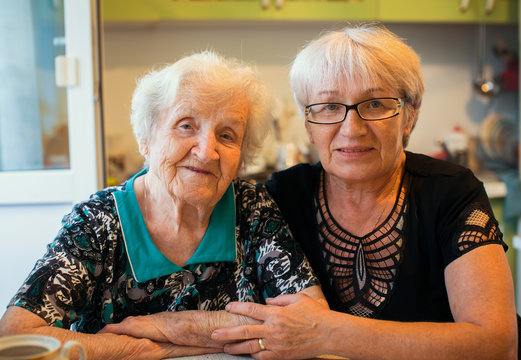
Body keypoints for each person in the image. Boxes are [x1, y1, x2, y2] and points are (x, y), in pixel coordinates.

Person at [211, 24, 521, 359]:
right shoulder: (280, 197)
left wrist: (326, 332)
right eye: (329, 107)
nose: (351, 129)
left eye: (375, 105)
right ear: (309, 124)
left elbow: (496, 345)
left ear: (409, 116)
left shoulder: (451, 191)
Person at [0, 51, 324, 359]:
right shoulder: (97, 224)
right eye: (186, 125)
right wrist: (136, 350)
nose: (206, 151)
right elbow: (17, 337)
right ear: (147, 137)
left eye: (227, 135)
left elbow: (311, 323)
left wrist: (168, 330)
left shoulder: (252, 209)